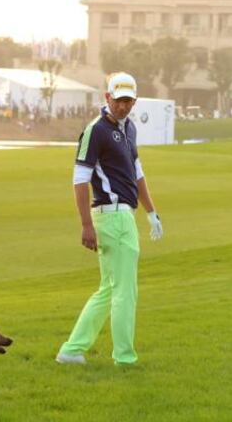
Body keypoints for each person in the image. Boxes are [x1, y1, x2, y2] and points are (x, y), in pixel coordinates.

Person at [56, 72, 164, 366]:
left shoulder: (129, 129)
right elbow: (79, 178)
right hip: (111, 216)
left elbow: (136, 171)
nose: (124, 106)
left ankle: (71, 350)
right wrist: (85, 225)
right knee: (125, 293)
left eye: (129, 100)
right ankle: (125, 358)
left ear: (134, 100)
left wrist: (151, 211)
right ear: (107, 98)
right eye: (119, 100)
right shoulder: (96, 130)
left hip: (123, 215)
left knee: (109, 289)